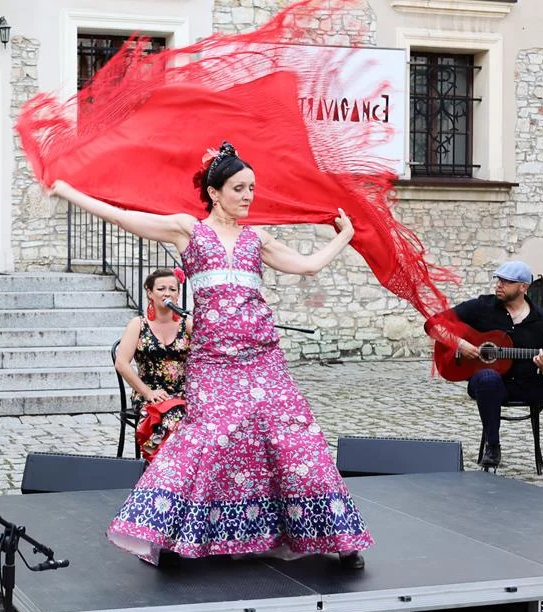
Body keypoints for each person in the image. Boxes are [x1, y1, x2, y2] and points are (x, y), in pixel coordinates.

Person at [50, 141, 373, 568]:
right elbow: (124, 218)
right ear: (214, 191)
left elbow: (307, 265)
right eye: (239, 188)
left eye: (252, 188)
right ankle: (166, 533)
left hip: (262, 359)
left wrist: (346, 237)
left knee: (295, 439)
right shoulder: (189, 230)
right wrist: (67, 191)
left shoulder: (257, 238)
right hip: (213, 362)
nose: (248, 196)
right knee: (206, 439)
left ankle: (338, 537)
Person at [426, 260, 543, 486]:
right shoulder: (482, 307)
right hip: (490, 385)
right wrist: (459, 344)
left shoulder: (541, 319)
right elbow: (433, 324)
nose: (499, 285)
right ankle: (493, 446)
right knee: (488, 378)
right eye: (498, 280)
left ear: (523, 287)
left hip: (528, 384)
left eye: (506, 282)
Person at [115, 268, 192, 462]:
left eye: (172, 289)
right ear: (150, 292)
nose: (167, 293)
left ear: (178, 294)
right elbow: (122, 364)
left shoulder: (188, 324)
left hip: (183, 394)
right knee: (176, 416)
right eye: (161, 288)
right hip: (150, 394)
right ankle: (159, 463)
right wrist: (148, 392)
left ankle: (164, 463)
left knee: (196, 418)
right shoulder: (138, 325)